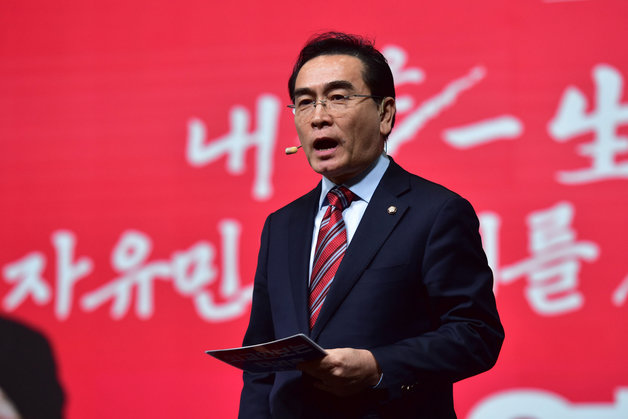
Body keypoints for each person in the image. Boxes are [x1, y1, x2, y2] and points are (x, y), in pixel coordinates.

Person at [238, 32, 504, 419]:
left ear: (385, 114)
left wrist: (379, 366)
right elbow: (262, 362)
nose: (318, 117)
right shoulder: (281, 225)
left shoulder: (436, 212)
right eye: (304, 102)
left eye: (338, 97)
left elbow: (476, 334)